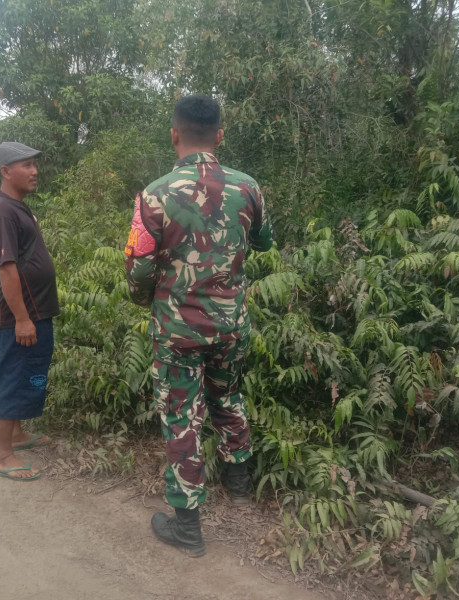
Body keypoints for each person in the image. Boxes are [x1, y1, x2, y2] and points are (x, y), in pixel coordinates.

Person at [124, 95, 273, 556]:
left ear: (174, 135)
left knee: (181, 415)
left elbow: (138, 268)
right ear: (220, 136)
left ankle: (187, 527)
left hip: (178, 329)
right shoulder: (248, 188)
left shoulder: (153, 195)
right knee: (228, 395)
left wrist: (149, 300)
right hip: (232, 324)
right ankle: (240, 482)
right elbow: (264, 242)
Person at [0, 142, 60, 481]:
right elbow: (6, 269)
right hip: (20, 315)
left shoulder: (18, 208)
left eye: (34, 164)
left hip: (35, 311)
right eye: (26, 165)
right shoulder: (1, 212)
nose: (34, 171)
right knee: (12, 375)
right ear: (5, 171)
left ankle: (16, 435)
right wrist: (23, 318)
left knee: (26, 371)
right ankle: (2, 455)